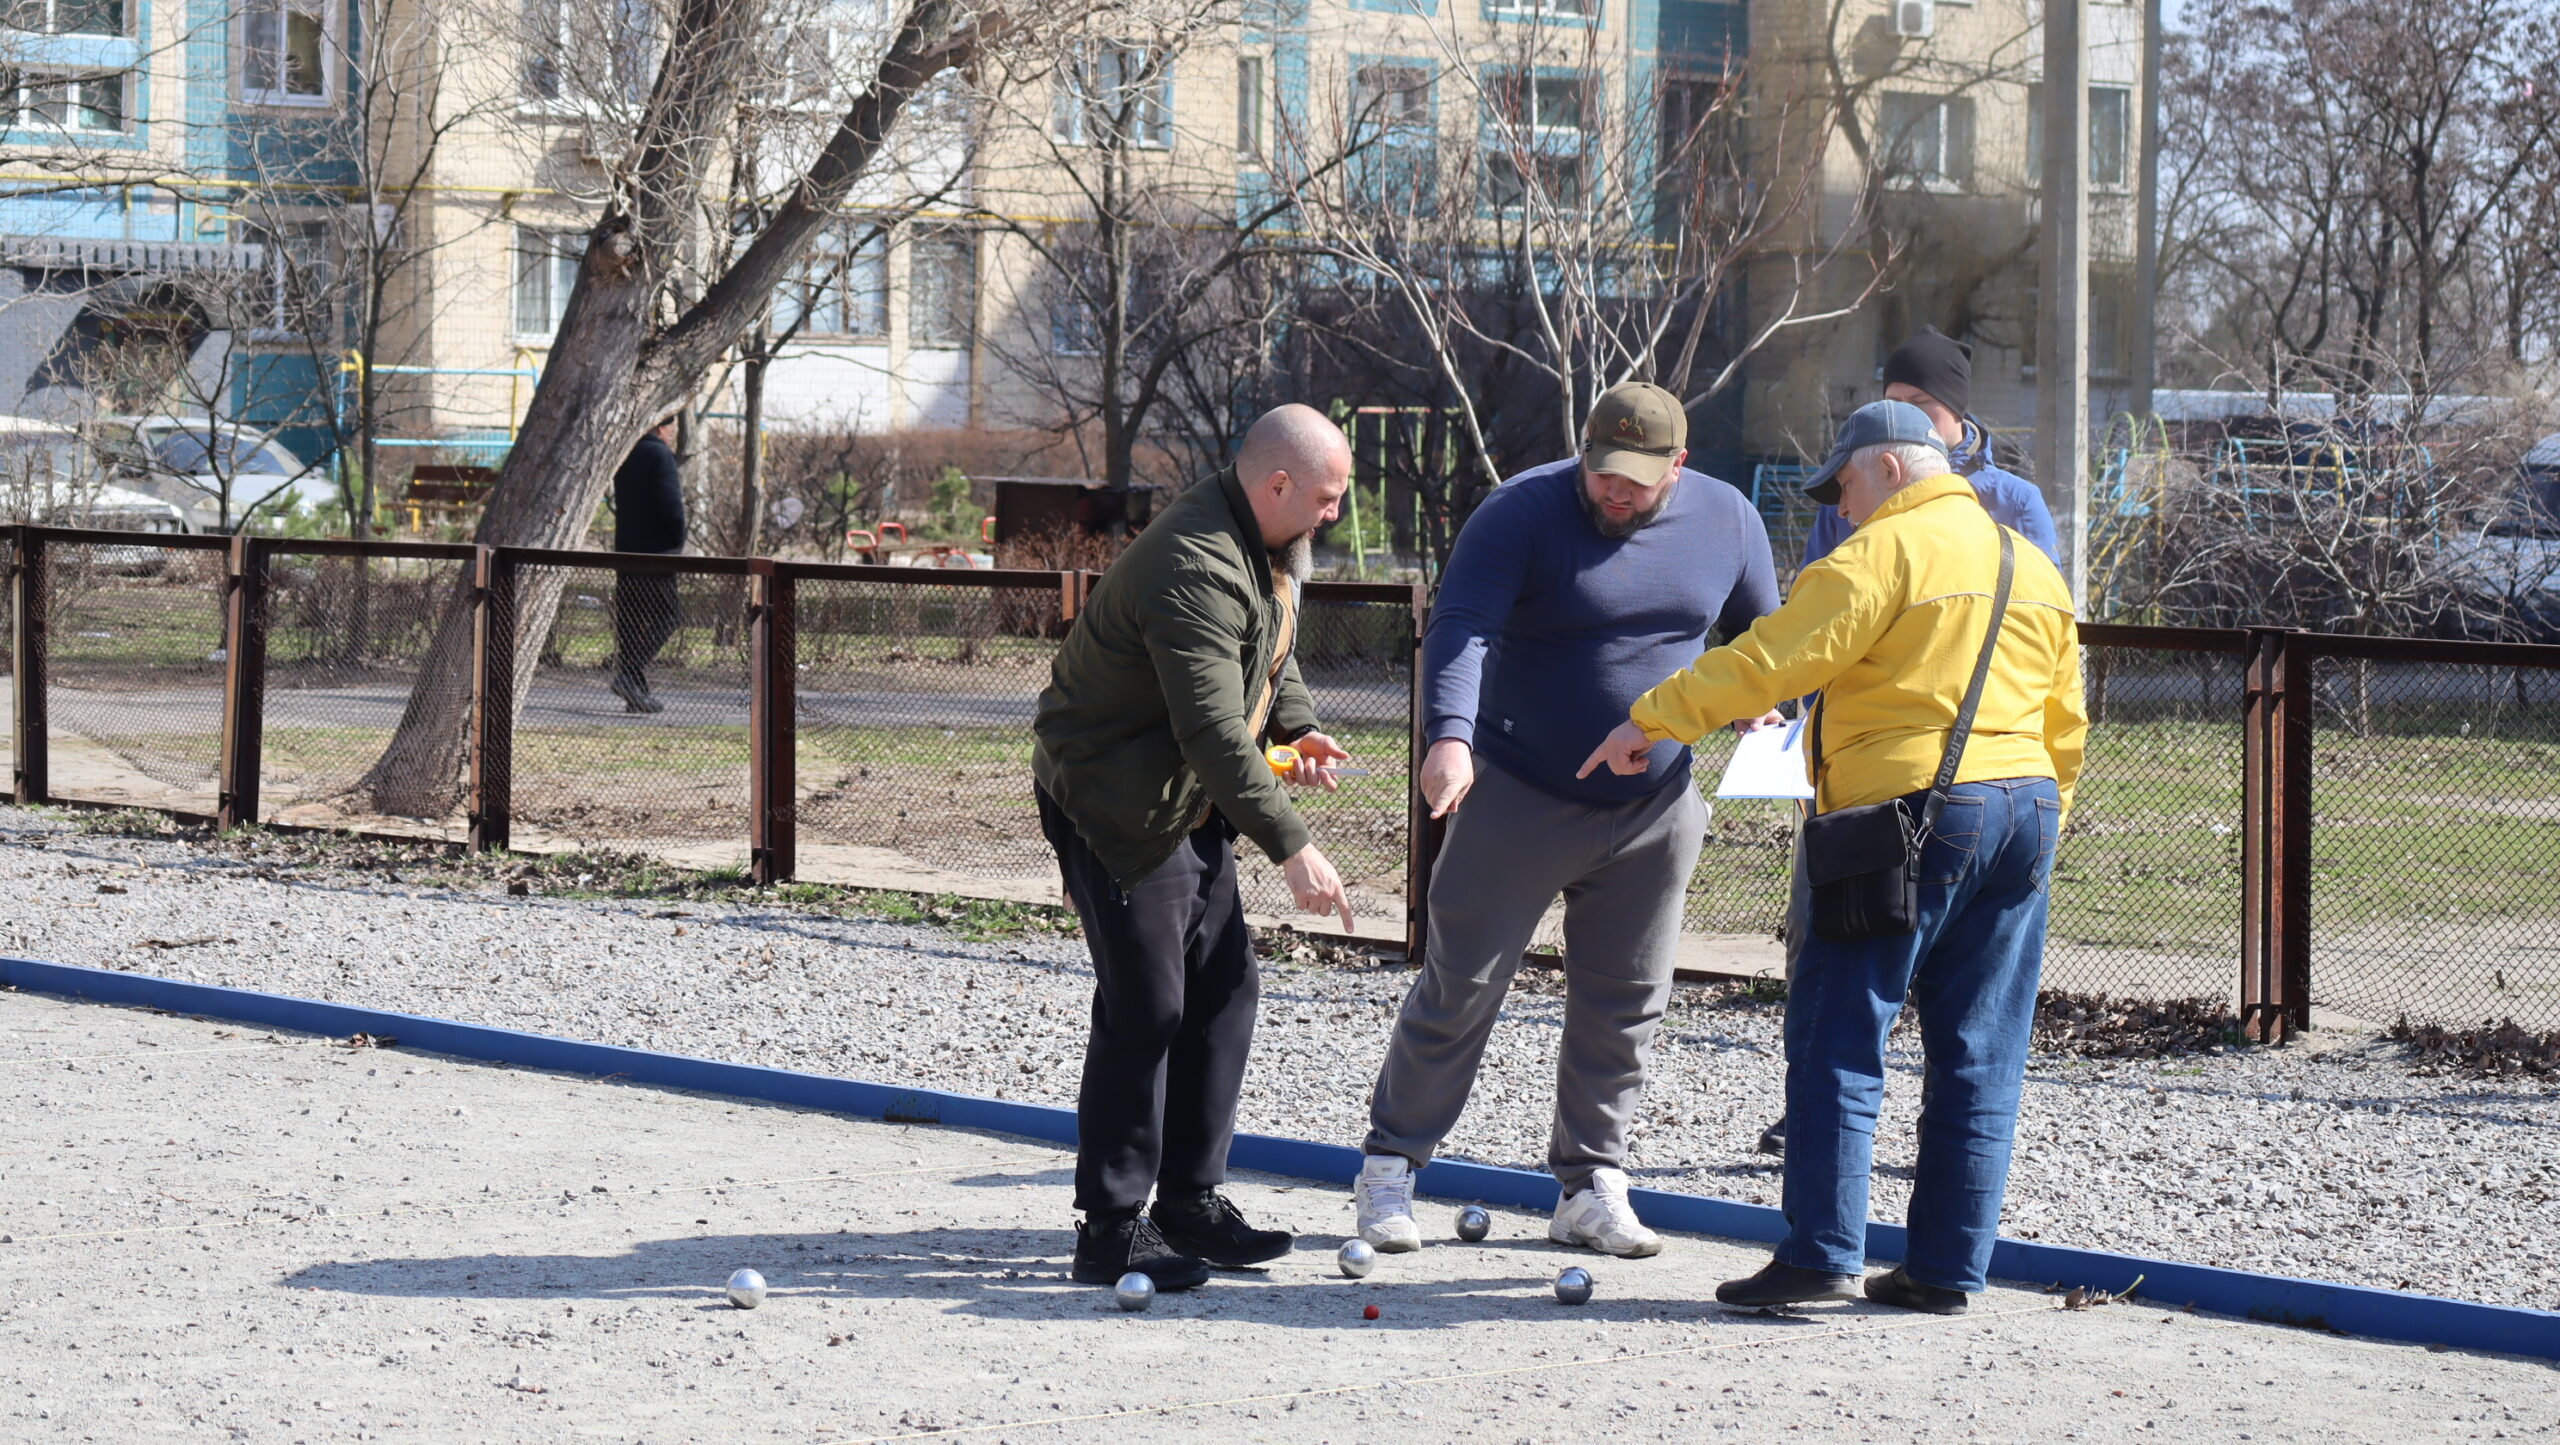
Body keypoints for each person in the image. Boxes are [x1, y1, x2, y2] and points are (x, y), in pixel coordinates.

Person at [1580, 398, 2085, 1314]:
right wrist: (2046, 818)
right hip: (2027, 811)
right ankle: (1945, 1269)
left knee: (1837, 1034)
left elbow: (1772, 659)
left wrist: (1652, 719)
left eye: (1844, 484)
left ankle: (1820, 1253)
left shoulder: (1881, 552)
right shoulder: (2031, 563)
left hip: (1906, 812)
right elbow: (2067, 718)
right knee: (1980, 1053)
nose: (1840, 507)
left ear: (1889, 466)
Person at [1352, 382, 1783, 1259]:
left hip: (1655, 806)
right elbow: (1463, 625)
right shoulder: (1520, 512)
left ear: (1678, 466)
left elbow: (1764, 639)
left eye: (1636, 479)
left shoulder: (1729, 521)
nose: (1614, 491)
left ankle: (1591, 1184)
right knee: (1460, 983)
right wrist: (1450, 737)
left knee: (1627, 998)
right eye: (1601, 470)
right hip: (1520, 788)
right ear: (1582, 452)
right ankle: (1390, 1165)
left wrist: (1758, 701)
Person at [1032, 404, 1360, 1292]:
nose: (1334, 513)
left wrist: (1297, 725)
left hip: (1181, 791)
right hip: (1116, 797)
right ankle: (1110, 1228)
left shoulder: (1265, 547)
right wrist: (1293, 845)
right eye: (1326, 497)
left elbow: (1268, 647)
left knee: (1224, 987)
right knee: (1147, 1007)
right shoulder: (1196, 561)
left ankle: (1189, 1201)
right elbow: (1214, 731)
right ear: (1278, 484)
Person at [1760, 328, 2060, 1158]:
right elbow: (1815, 623)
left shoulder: (2014, 503)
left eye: (1920, 405)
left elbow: (2044, 634)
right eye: (1892, 402)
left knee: (1952, 998)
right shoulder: (1856, 483)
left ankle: (1900, 1153)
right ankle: (1813, 1116)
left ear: (1957, 415)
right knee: (1824, 952)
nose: (1905, 418)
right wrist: (1799, 733)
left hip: (1967, 774)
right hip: (1865, 779)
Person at [609, 416, 686, 715]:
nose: (673, 433)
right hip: (656, 553)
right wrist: (676, 540)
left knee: (631, 621)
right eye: (672, 427)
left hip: (626, 550)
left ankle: (636, 694)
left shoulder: (626, 453)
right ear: (662, 427)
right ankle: (630, 676)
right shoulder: (660, 454)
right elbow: (671, 506)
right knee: (668, 616)